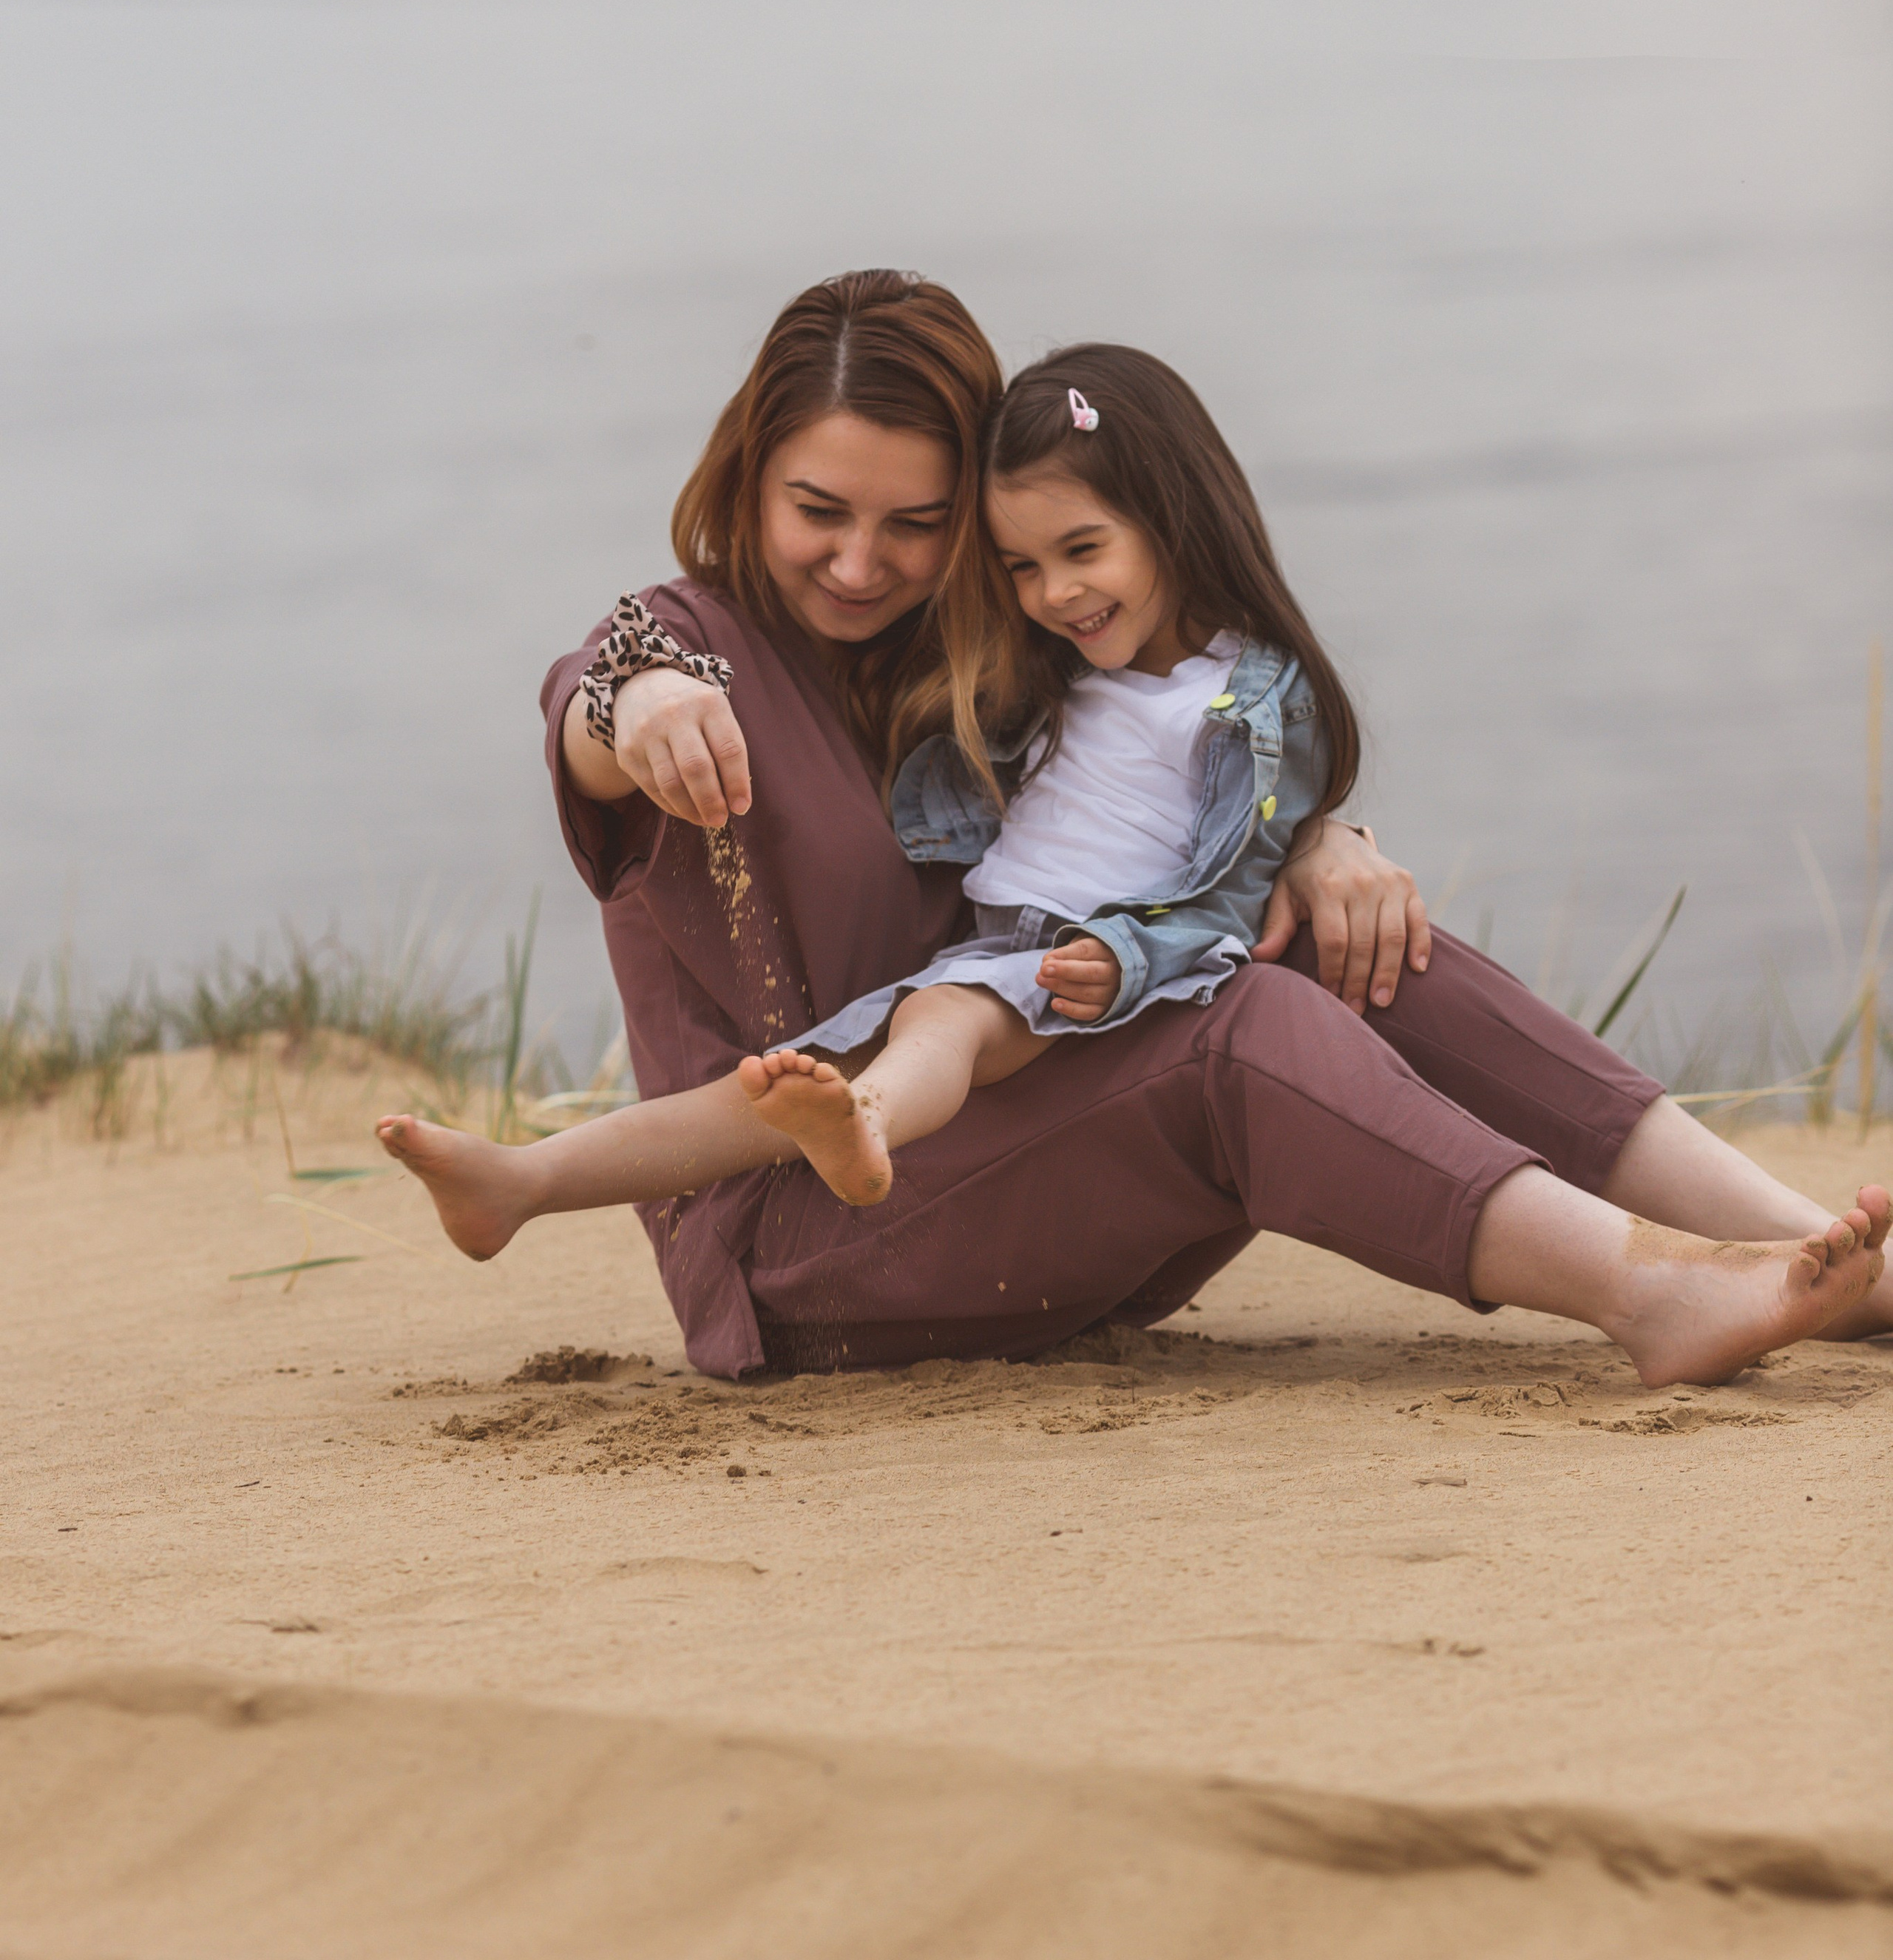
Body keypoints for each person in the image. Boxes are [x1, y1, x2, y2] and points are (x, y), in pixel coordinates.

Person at [380, 269, 1888, 1386]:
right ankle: (1650, 1295)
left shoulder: (987, 642)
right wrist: (628, 712)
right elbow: (591, 696)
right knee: (1238, 1033)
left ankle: (1821, 1252)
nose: (860, 562)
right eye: (815, 509)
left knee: (1368, 953)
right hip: (814, 1244)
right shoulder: (682, 640)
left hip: (1041, 1136)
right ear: (745, 476)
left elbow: (1158, 761)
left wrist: (1303, 840)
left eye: (918, 523)